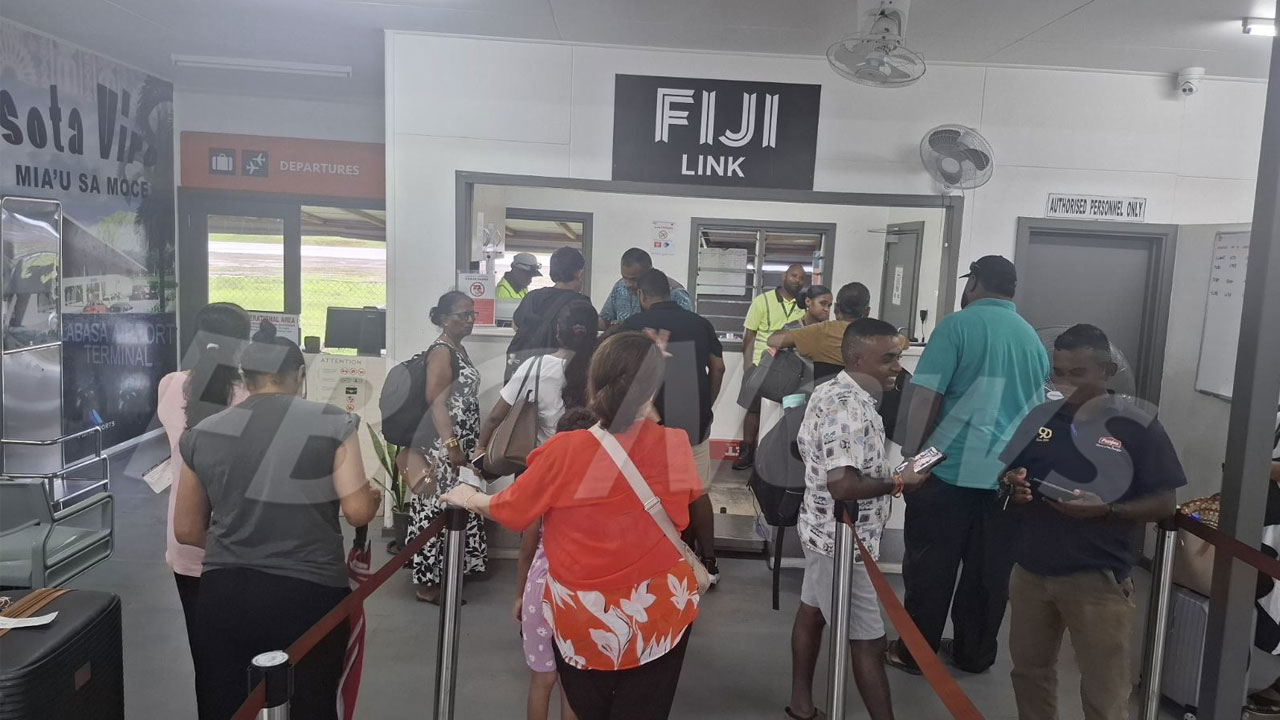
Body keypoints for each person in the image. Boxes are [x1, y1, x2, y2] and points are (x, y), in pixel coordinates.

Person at [440, 332, 703, 720]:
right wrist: (645, 396)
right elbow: (682, 511)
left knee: (585, 707)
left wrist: (468, 497)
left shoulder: (563, 451)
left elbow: (511, 511)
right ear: (651, 392)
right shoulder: (674, 444)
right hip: (660, 609)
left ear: (592, 384)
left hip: (584, 616)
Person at [173, 323, 382, 720]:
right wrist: (371, 499)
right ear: (298, 375)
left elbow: (185, 529)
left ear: (245, 378)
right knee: (311, 700)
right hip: (310, 593)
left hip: (225, 592)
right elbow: (357, 511)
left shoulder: (202, 433)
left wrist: (240, 542)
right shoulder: (333, 421)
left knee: (228, 703)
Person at [999, 324, 1185, 720]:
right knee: (1029, 673)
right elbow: (1010, 475)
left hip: (1097, 576)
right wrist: (1013, 486)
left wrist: (1107, 509)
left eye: (1077, 373)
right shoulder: (1040, 416)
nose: (1064, 383)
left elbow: (1165, 503)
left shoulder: (1137, 426)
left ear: (1107, 371)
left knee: (1105, 690)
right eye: (1057, 372)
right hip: (1031, 570)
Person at [888, 255, 1049, 675]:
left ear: (974, 282)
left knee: (930, 567)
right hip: (1006, 480)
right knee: (989, 573)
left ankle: (916, 654)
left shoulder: (956, 327)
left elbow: (926, 398)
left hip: (947, 472)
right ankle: (973, 654)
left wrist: (913, 459)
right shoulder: (1031, 339)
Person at [787, 318, 931, 720]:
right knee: (868, 640)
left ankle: (800, 705)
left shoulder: (831, 390)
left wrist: (895, 474)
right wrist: (899, 482)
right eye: (887, 359)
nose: (897, 367)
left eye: (897, 357)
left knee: (812, 612)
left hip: (820, 532)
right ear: (856, 359)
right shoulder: (848, 408)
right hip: (842, 543)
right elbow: (843, 485)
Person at [474, 301, 598, 720]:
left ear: (556, 331)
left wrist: (479, 450)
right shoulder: (600, 374)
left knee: (534, 544)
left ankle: (527, 601)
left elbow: (497, 415)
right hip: (591, 483)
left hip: (543, 473)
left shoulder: (534, 366)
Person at [156, 302, 251, 704]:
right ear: (242, 344)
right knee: (248, 657)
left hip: (185, 539)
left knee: (207, 661)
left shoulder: (170, 385)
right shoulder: (250, 396)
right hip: (240, 544)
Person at [624, 268, 726, 585]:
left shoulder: (632, 326)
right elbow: (718, 367)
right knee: (698, 491)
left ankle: (652, 562)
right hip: (693, 422)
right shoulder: (699, 323)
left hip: (647, 425)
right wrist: (706, 404)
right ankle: (708, 562)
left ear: (642, 295)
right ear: (669, 293)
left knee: (647, 493)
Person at [407, 291, 488, 604]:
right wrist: (452, 445)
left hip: (458, 441)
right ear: (443, 318)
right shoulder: (442, 351)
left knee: (456, 504)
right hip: (442, 446)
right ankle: (428, 585)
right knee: (435, 509)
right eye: (461, 315)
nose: (469, 320)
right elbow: (436, 401)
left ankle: (452, 570)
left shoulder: (457, 348)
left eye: (472, 315)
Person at [735, 263, 807, 470]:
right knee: (753, 409)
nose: (797, 280)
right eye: (793, 275)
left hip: (792, 369)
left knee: (789, 412)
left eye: (801, 278)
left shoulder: (804, 306)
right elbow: (749, 334)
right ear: (784, 277)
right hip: (761, 364)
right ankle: (747, 452)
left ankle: (776, 457)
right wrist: (748, 366)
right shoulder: (762, 301)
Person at [506, 246, 591, 382]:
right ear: (579, 273)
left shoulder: (532, 297)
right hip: (560, 378)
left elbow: (516, 326)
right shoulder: (582, 305)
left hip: (524, 374)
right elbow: (586, 344)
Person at [769, 282, 871, 386]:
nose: (826, 309)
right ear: (867, 312)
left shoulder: (822, 331)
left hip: (824, 394)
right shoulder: (877, 336)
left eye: (829, 305)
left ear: (836, 309)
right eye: (822, 303)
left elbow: (773, 340)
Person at [599, 247, 692, 328]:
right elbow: (605, 320)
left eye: (634, 279)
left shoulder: (676, 293)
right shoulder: (620, 287)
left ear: (650, 272)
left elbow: (686, 328)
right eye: (624, 278)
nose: (628, 285)